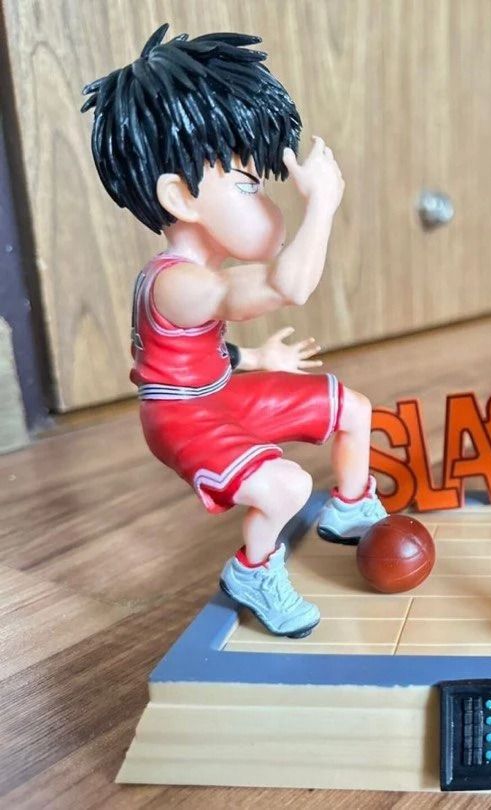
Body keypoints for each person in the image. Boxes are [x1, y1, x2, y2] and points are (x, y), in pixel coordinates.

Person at [82, 25, 386, 639]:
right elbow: (287, 286)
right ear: (180, 196)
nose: (267, 205)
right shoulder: (177, 282)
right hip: (180, 419)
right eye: (249, 185)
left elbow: (191, 350)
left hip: (215, 392)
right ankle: (254, 571)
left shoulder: (197, 281)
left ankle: (351, 508)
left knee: (351, 408)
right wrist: (322, 206)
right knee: (287, 485)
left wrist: (254, 357)